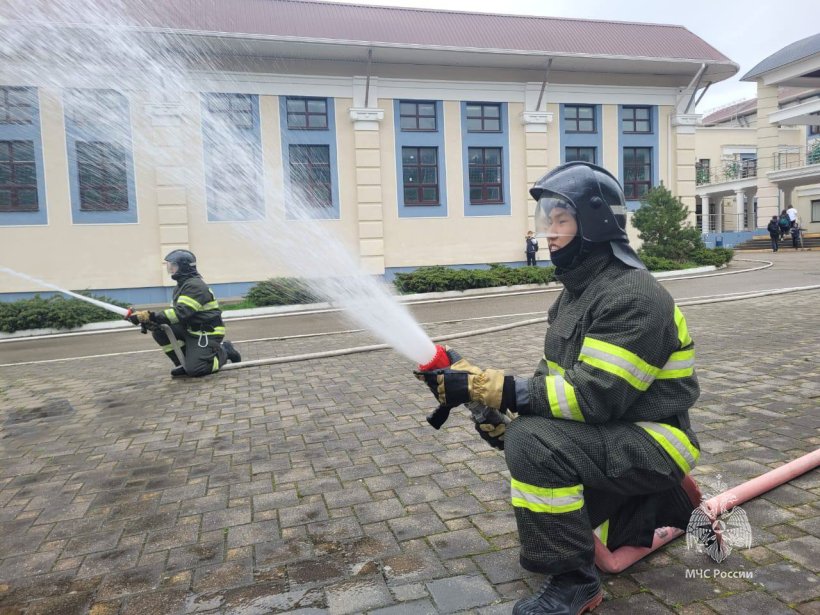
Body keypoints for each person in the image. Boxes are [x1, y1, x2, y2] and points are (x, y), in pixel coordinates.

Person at [416, 162, 700, 615]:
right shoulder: (574, 296)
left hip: (656, 440)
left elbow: (593, 398)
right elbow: (551, 389)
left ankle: (575, 583)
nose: (549, 233)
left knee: (535, 444)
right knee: (525, 438)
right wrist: (485, 405)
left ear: (594, 224)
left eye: (560, 220)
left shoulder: (634, 297)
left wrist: (495, 390)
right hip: (615, 434)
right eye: (547, 220)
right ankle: (656, 505)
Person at [128, 250, 241, 377]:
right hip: (190, 328)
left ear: (184, 267)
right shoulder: (181, 286)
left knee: (196, 369)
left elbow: (180, 313)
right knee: (160, 331)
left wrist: (152, 316)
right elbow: (174, 315)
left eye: (173, 265)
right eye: (170, 265)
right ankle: (182, 363)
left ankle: (225, 351)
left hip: (207, 332)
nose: (170, 268)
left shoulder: (195, 286)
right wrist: (152, 321)